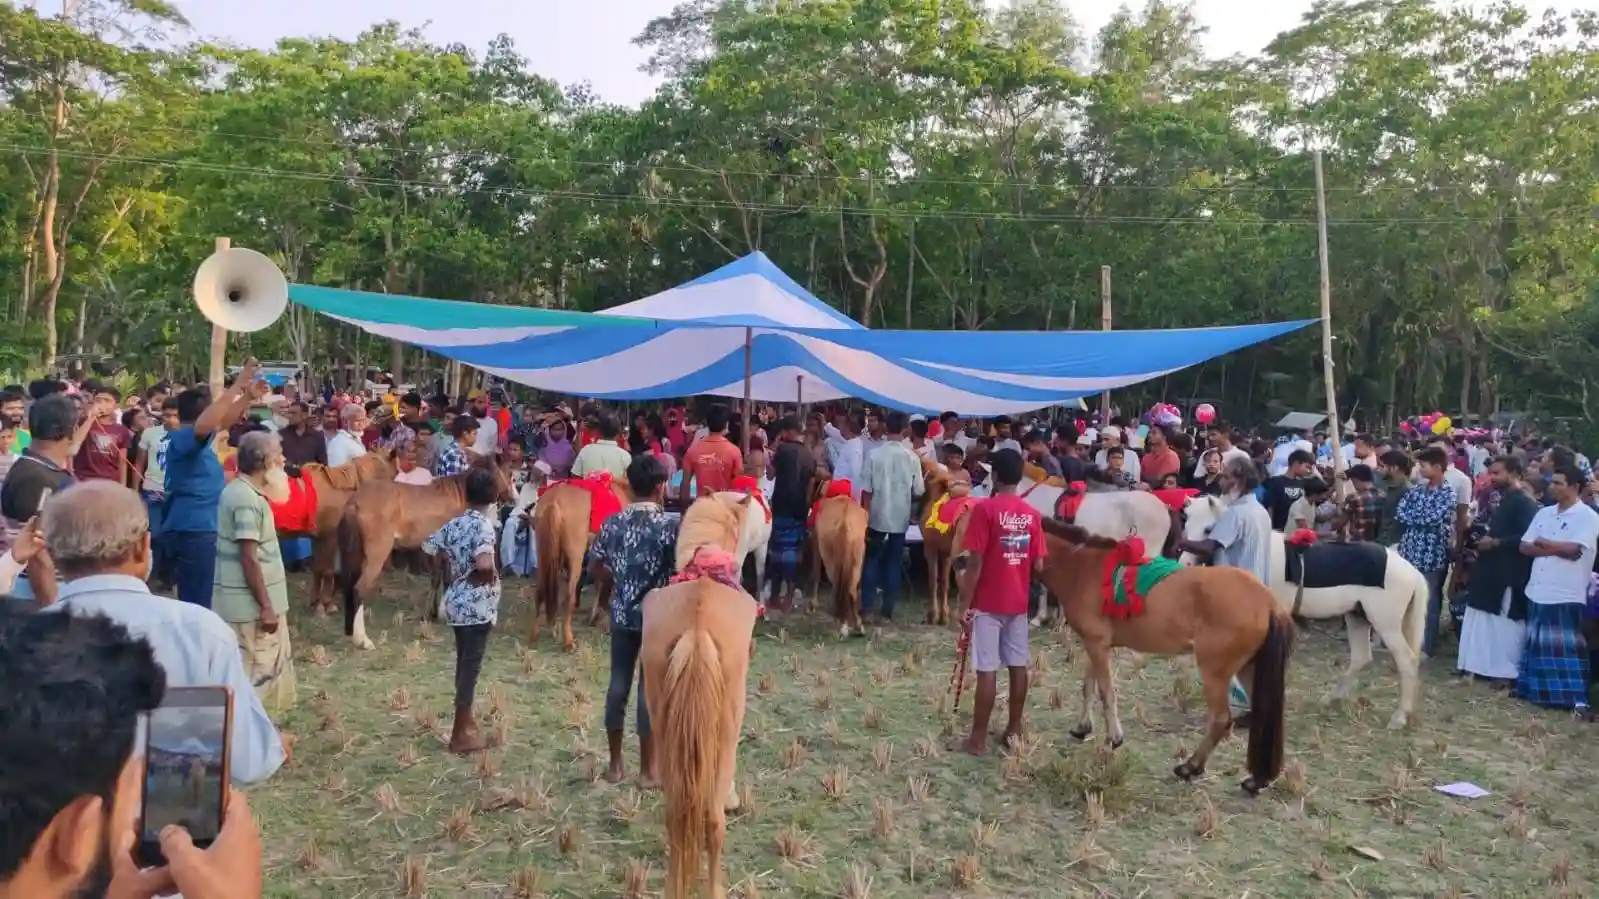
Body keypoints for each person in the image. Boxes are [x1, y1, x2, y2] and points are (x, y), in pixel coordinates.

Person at [44, 481, 286, 782]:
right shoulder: (201, 631)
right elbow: (249, 762)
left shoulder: (21, 640)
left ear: (53, 554)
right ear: (142, 547)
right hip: (173, 822)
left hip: (55, 826)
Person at [589, 454, 678, 786]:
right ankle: (648, 771)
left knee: (618, 684)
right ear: (660, 487)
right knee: (648, 690)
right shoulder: (670, 525)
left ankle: (614, 765)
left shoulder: (613, 523)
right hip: (659, 617)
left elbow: (594, 568)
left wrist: (615, 580)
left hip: (622, 613)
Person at [950, 448, 1044, 755]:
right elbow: (1039, 566)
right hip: (1018, 602)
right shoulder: (1031, 514)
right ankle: (1013, 729)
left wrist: (964, 603)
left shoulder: (985, 510)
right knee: (1018, 666)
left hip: (988, 602)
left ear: (995, 476)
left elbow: (974, 562)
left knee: (987, 668)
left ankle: (977, 740)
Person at [1176, 456, 1273, 715]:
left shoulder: (1236, 513)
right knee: (1248, 661)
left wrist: (1181, 542)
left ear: (1239, 479)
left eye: (1228, 476)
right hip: (1256, 591)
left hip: (1234, 595)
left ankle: (1231, 712)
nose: (1223, 480)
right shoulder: (1259, 511)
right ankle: (1252, 710)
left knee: (1221, 661)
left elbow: (1210, 547)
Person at [164, 365, 265, 611]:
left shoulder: (196, 439)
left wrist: (248, 397)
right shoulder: (186, 438)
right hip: (194, 530)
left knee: (203, 595)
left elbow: (222, 423)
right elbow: (206, 426)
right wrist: (237, 385)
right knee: (198, 602)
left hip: (201, 528)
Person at [422, 466, 504, 754]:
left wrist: (453, 572)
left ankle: (466, 724)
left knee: (463, 662)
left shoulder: (454, 523)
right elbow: (483, 563)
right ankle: (460, 733)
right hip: (476, 605)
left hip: (455, 603)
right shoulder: (484, 526)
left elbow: (430, 548)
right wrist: (486, 575)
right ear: (493, 497)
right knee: (471, 666)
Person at [214, 432, 296, 714]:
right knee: (255, 677)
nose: (283, 460)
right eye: (278, 455)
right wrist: (266, 607)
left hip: (247, 606)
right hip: (250, 610)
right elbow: (249, 558)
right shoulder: (245, 499)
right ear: (264, 462)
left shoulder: (244, 492)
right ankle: (249, 741)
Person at [1515, 465, 1599, 719]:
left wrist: (1544, 544)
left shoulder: (1588, 516)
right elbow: (1524, 546)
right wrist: (1553, 548)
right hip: (1539, 586)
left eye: (1559, 483)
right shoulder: (1545, 513)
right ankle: (1538, 693)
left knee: (1567, 647)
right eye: (1553, 482)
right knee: (1537, 643)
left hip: (1567, 590)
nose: (1553, 487)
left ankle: (1574, 699)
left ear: (1574, 487)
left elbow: (1575, 550)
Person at [1457, 456, 1537, 682]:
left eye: (1497, 473)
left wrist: (1496, 542)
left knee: (1505, 625)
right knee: (1481, 619)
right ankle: (1480, 669)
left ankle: (1505, 673)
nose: (1491, 478)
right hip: (1489, 570)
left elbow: (1528, 537)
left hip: (1508, 573)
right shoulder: (1505, 499)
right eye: (1490, 473)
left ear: (1513, 473)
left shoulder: (1524, 502)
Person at [858, 411, 925, 623]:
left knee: (871, 561)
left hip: (876, 516)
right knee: (894, 562)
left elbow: (866, 491)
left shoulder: (873, 455)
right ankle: (887, 612)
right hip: (900, 517)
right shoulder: (912, 457)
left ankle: (867, 608)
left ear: (885, 428)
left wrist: (865, 517)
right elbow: (919, 491)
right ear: (906, 430)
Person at [1397, 446, 1457, 657]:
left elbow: (1433, 519)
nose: (1419, 469)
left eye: (1423, 465)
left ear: (1438, 467)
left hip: (1432, 554)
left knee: (1430, 602)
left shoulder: (1448, 493)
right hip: (1410, 551)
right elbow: (1401, 512)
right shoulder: (1418, 489)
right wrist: (1419, 520)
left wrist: (1416, 519)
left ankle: (1426, 646)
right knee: (1407, 599)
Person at [767, 416, 815, 609]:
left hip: (781, 505)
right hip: (800, 507)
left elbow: (770, 474)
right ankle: (789, 596)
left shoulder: (783, 450)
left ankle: (775, 596)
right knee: (793, 551)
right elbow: (811, 483)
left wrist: (774, 446)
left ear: (787, 431)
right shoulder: (809, 455)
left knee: (777, 550)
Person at [679, 404, 742, 505]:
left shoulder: (693, 450)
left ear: (707, 423)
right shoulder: (734, 452)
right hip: (725, 510)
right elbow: (739, 486)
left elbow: (685, 484)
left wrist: (684, 511)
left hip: (702, 509)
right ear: (726, 424)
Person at [73, 381, 132, 485]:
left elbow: (122, 462)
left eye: (107, 401)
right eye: (98, 400)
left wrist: (122, 486)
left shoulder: (121, 430)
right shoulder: (83, 422)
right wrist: (91, 418)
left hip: (110, 481)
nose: (101, 404)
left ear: (116, 405)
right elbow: (74, 443)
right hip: (84, 479)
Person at [1261, 449, 1316, 531]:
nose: (1308, 471)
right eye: (1306, 467)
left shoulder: (1304, 483)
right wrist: (1270, 530)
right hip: (1279, 530)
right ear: (1296, 464)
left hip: (1298, 532)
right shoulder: (1276, 482)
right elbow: (1270, 507)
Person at [572, 412, 632, 481]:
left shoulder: (586, 451)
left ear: (598, 430)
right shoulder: (625, 456)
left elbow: (575, 477)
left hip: (588, 491)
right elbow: (629, 483)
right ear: (618, 432)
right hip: (614, 491)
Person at [1339, 464, 1384, 541]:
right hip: (1378, 543)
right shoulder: (1383, 495)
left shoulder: (1353, 498)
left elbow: (1342, 522)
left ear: (1355, 480)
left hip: (1359, 543)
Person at [325, 403, 368, 468]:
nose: (361, 424)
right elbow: (335, 472)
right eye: (357, 421)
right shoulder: (338, 443)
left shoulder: (355, 437)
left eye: (363, 420)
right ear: (345, 422)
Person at [539, 416, 576, 481]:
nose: (558, 432)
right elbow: (540, 464)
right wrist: (552, 468)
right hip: (546, 481)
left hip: (565, 482)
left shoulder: (569, 447)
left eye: (560, 429)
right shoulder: (544, 446)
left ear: (564, 430)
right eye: (555, 429)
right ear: (549, 430)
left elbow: (574, 465)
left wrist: (564, 467)